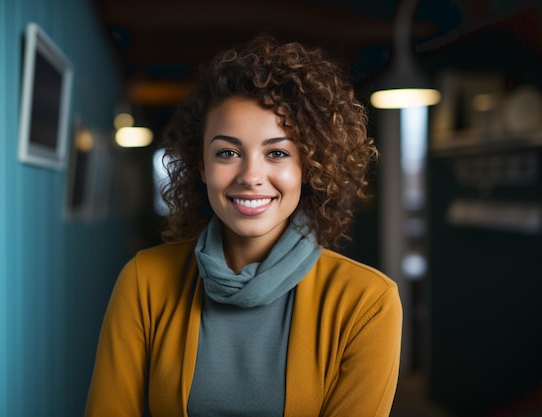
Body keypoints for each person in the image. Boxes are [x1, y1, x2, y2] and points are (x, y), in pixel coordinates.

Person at [85, 34, 402, 417]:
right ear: (201, 165)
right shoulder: (143, 281)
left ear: (310, 167)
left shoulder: (367, 302)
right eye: (228, 152)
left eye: (278, 153)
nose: (251, 175)